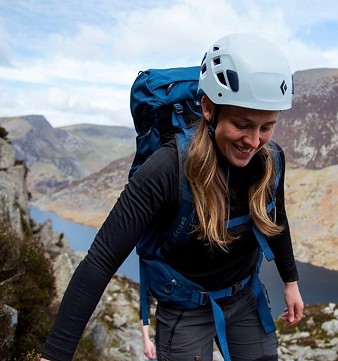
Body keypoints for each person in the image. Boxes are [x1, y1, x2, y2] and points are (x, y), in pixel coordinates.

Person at [41, 33, 304, 361]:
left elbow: (275, 218)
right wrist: (54, 355)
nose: (254, 141)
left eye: (267, 127)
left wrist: (290, 281)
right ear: (208, 108)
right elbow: (102, 259)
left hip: (243, 297)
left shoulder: (270, 160)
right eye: (242, 124)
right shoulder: (169, 168)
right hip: (184, 306)